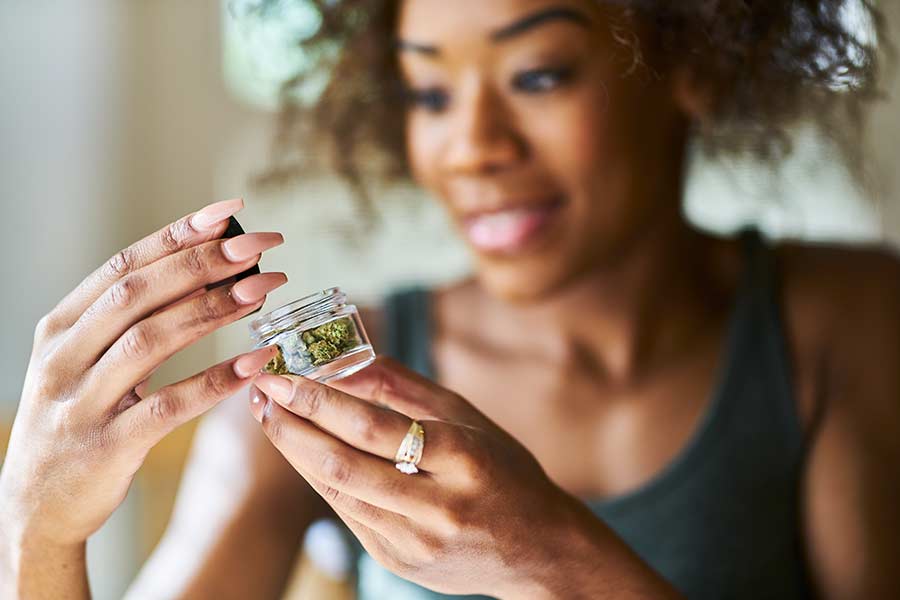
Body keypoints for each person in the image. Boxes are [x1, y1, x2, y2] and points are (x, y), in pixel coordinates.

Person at [2, 1, 899, 598]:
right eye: (430, 91)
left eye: (539, 75)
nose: (471, 145)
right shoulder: (326, 388)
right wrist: (36, 534)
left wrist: (554, 556)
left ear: (693, 59)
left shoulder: (844, 324)